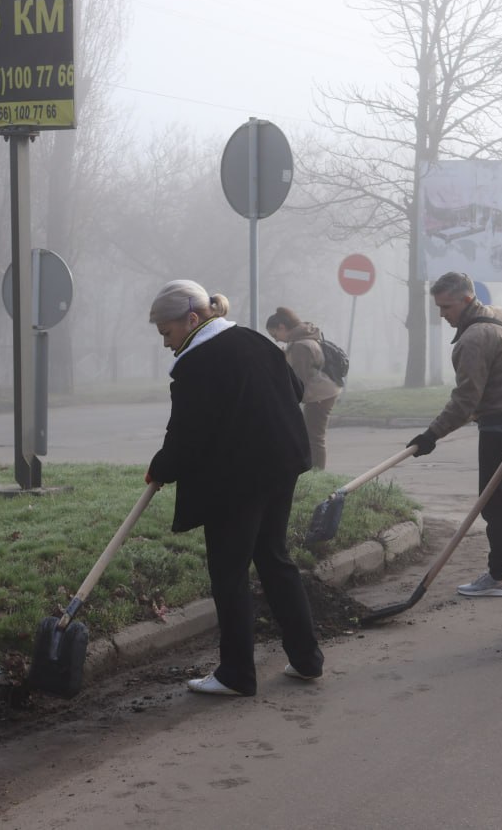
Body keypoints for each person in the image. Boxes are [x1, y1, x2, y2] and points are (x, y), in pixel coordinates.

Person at [146, 280, 324, 696]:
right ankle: (307, 659)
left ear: (191, 320)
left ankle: (237, 674)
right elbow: (294, 390)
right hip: (281, 464)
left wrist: (161, 467)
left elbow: (187, 433)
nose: (166, 344)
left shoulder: (197, 361)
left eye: (167, 333)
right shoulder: (254, 340)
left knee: (229, 572)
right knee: (274, 558)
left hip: (237, 477)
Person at [406, 271, 502, 596]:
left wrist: (431, 435)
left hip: (498, 428)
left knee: (495, 500)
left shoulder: (473, 340)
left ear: (467, 300)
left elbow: (466, 400)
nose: (443, 315)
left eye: (446, 307)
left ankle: (497, 577)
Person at [265, 307, 342, 470]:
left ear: (282, 327)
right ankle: (314, 470)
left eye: (274, 335)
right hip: (322, 392)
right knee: (312, 436)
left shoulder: (300, 345)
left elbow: (299, 379)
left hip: (319, 396)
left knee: (315, 438)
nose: (276, 340)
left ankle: (317, 473)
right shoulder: (303, 340)